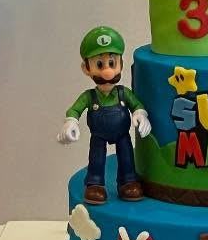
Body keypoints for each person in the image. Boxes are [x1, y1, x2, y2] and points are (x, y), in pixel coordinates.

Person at [59, 26, 152, 203]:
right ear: (86, 68)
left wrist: (140, 114)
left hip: (122, 134)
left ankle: (128, 181)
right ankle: (95, 184)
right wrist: (71, 122)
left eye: (112, 63)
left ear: (121, 64)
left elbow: (136, 104)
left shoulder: (123, 93)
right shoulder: (89, 96)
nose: (107, 72)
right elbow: (75, 110)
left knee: (126, 156)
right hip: (98, 136)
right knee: (97, 158)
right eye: (99, 65)